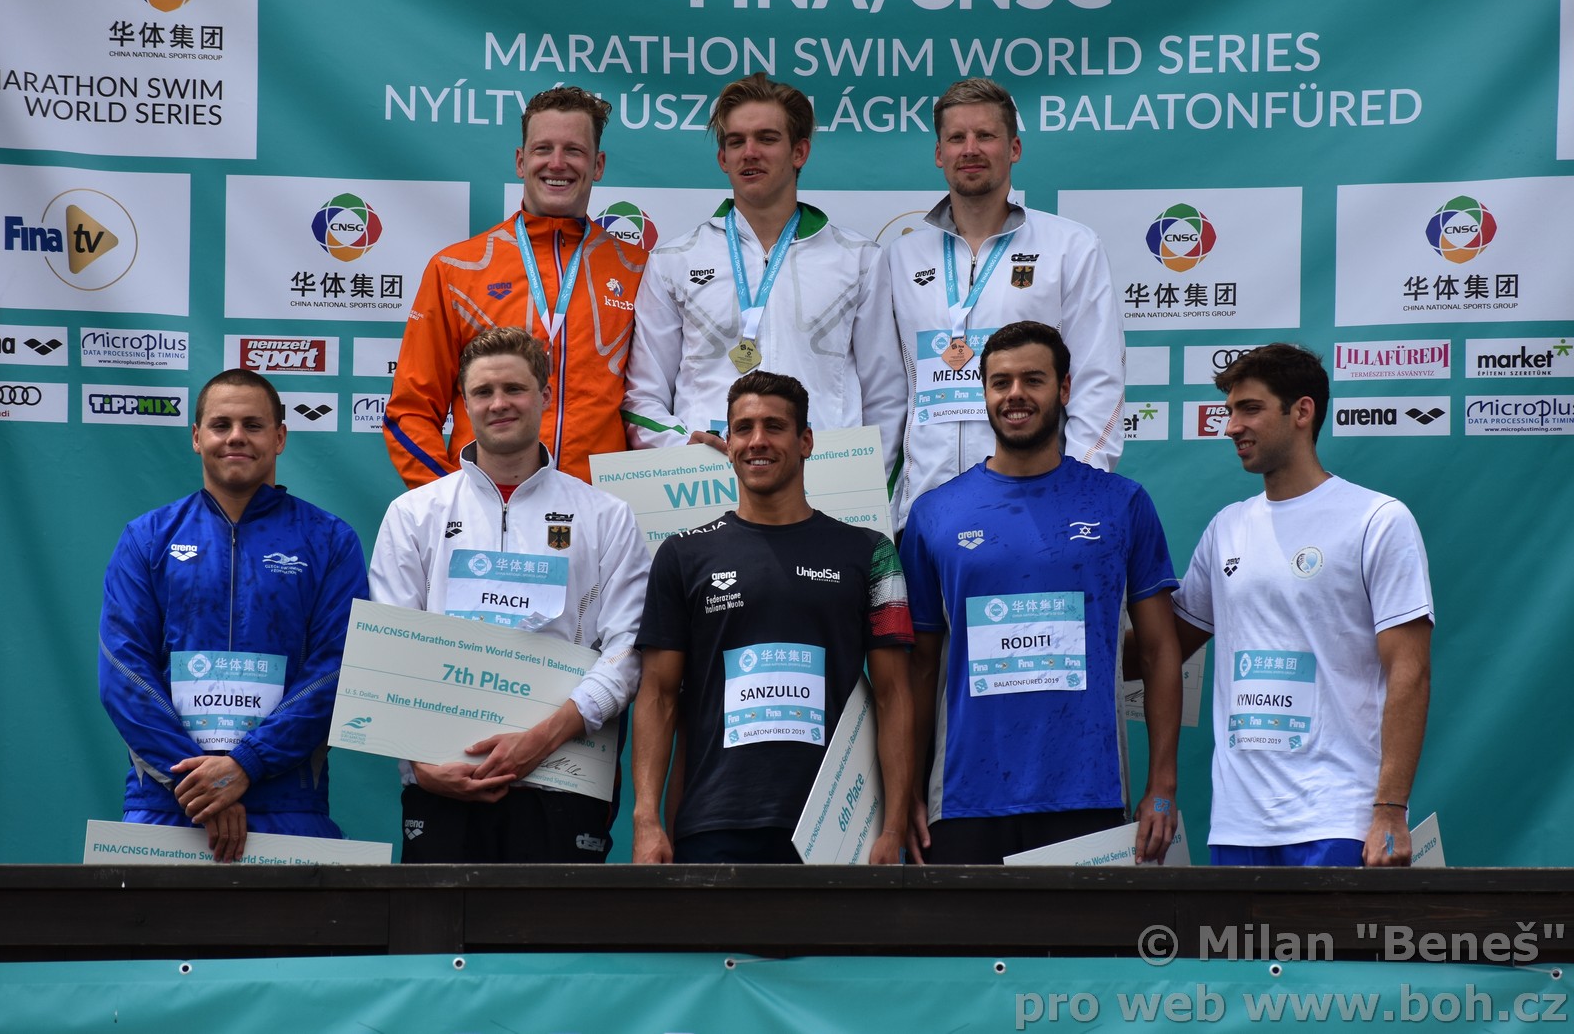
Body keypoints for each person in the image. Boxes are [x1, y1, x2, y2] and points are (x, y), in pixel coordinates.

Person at [898, 322, 1181, 865]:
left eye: (1033, 379)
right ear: (983, 393)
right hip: (962, 802)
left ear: (1065, 388)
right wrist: (906, 790)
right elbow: (920, 666)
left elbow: (1160, 651)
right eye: (1000, 382)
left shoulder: (1120, 503)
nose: (1015, 395)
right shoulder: (934, 514)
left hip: (1090, 793)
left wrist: (1162, 784)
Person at [369, 327, 650, 862]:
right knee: (439, 920)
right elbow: (391, 649)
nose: (499, 404)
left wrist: (543, 738)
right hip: (444, 780)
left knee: (553, 921)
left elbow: (627, 649)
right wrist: (420, 766)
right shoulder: (413, 514)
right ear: (463, 403)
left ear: (545, 396)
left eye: (515, 389)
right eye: (483, 392)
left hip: (565, 780)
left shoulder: (606, 516)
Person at [630, 370, 915, 864]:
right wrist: (647, 821)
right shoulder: (681, 556)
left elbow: (894, 695)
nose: (757, 441)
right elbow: (657, 694)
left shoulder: (871, 553)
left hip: (836, 828)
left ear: (806, 442)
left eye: (775, 426)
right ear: (728, 443)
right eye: (743, 428)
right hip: (714, 823)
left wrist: (892, 827)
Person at [1171, 343, 1434, 867]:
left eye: (1250, 409)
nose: (1231, 427)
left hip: (1337, 818)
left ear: (1302, 411)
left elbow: (1410, 672)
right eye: (1229, 411)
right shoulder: (1226, 528)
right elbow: (1163, 650)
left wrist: (1390, 809)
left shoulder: (1377, 519)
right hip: (1238, 823)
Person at [98, 369, 368, 863]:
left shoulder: (330, 540)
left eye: (253, 425)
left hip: (287, 804)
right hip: (168, 802)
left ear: (280, 437)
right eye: (221, 425)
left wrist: (245, 765)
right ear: (196, 437)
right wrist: (200, 786)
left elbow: (339, 668)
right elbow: (123, 671)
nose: (236, 436)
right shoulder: (147, 537)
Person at [622, 72, 907, 483]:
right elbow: (643, 398)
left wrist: (864, 491)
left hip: (825, 487)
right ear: (722, 159)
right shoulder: (674, 260)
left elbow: (886, 397)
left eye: (767, 139)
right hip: (708, 488)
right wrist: (683, 451)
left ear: (799, 152)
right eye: (736, 141)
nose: (750, 152)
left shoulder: (858, 258)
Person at [384, 85, 645, 488]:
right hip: (489, 502)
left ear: (598, 165)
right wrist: (452, 499)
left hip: (601, 507)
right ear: (521, 161)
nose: (557, 163)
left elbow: (654, 404)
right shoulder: (456, 269)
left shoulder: (639, 270)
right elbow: (410, 410)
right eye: (543, 149)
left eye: (574, 151)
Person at [890, 78, 1124, 524]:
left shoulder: (1071, 247)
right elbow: (888, 394)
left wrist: (1077, 492)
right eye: (956, 138)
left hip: (1038, 507)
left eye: (986, 135)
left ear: (1014, 148)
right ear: (939, 154)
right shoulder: (900, 258)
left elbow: (1097, 380)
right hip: (926, 511)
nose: (970, 149)